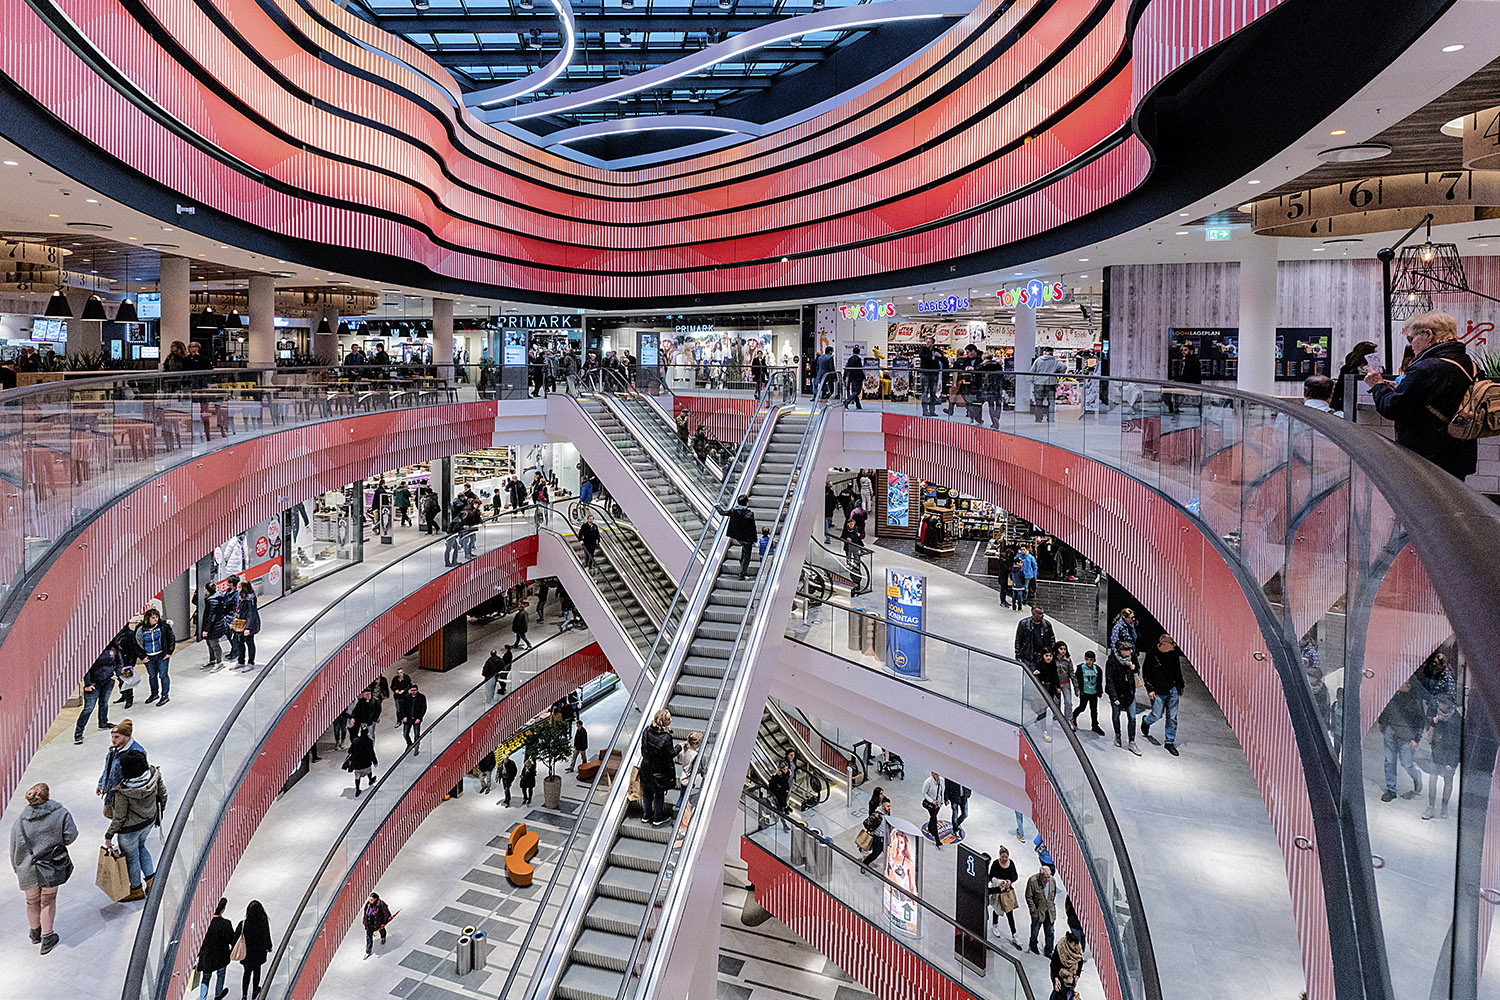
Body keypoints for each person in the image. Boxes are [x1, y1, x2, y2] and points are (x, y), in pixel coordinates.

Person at [1365, 311, 1479, 480]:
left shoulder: (1426, 368)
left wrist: (1377, 385)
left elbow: (1392, 408)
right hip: (1459, 453)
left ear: (1428, 335)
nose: (1410, 346)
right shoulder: (1468, 363)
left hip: (1427, 456)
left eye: (1411, 339)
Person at [10, 783, 78, 954]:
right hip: (51, 866)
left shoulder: (20, 822)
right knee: (48, 899)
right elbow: (70, 836)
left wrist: (18, 868)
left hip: (27, 869)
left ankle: (35, 933)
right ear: (48, 796)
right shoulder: (60, 813)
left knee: (32, 901)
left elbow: (14, 849)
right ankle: (47, 937)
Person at [103, 749, 166, 902]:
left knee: (131, 858)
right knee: (141, 847)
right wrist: (159, 812)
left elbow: (119, 817)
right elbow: (163, 794)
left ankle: (136, 889)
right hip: (149, 822)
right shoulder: (154, 775)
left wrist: (109, 835)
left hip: (129, 830)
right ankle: (151, 882)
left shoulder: (123, 791)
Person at [1377, 680, 1425, 802]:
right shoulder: (1394, 695)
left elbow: (1420, 721)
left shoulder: (1414, 701)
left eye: (1402, 684)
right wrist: (1383, 723)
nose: (1398, 685)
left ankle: (1416, 776)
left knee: (1406, 763)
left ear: (1408, 686)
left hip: (1406, 736)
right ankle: (1391, 789)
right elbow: (1387, 709)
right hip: (1391, 730)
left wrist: (1416, 739)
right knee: (1389, 761)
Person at [1140, 633, 1185, 755]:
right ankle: (1146, 721)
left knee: (1172, 717)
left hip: (1172, 688)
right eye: (1172, 643)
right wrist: (1150, 689)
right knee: (1157, 714)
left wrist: (1181, 685)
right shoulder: (1152, 653)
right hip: (1158, 690)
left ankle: (1169, 742)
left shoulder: (1173, 653)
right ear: (1164, 643)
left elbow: (1177, 669)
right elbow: (1146, 672)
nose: (1175, 645)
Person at [1423, 694, 1462, 820]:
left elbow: (1457, 743)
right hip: (1436, 754)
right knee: (1432, 781)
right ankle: (1431, 807)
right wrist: (1432, 722)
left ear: (1448, 705)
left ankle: (1444, 807)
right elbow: (1433, 729)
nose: (1439, 704)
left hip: (1449, 758)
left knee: (1448, 782)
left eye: (1441, 703)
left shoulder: (1457, 720)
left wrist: (1451, 762)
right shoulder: (1438, 715)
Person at [75, 643, 120, 744]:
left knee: (104, 703)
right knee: (88, 708)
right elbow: (86, 668)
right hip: (93, 684)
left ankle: (103, 723)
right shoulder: (90, 649)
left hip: (108, 681)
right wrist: (87, 684)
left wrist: (117, 673)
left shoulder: (113, 648)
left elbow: (119, 661)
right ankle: (78, 733)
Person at [641, 710, 678, 827]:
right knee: (659, 793)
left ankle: (646, 815)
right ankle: (658, 817)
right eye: (668, 719)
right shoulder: (666, 737)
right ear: (663, 721)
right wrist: (679, 747)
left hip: (646, 767)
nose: (670, 720)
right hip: (659, 770)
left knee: (647, 792)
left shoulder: (647, 731)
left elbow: (643, 748)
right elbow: (670, 754)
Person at [1106, 639, 1142, 755]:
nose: (1130, 651)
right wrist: (1114, 698)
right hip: (1117, 693)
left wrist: (1133, 669)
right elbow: (1109, 681)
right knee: (1116, 715)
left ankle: (1132, 741)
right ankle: (1117, 735)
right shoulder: (1112, 662)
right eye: (1127, 649)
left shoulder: (1132, 659)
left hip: (1129, 692)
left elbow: (1137, 670)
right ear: (1121, 650)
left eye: (1131, 649)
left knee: (1132, 717)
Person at [196, 897, 236, 1000]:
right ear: (223, 909)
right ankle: (218, 995)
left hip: (207, 957)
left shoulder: (204, 924)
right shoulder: (226, 924)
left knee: (205, 978)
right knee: (221, 975)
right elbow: (232, 940)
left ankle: (202, 998)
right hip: (221, 955)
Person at [135, 608, 176, 706]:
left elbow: (171, 638)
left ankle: (165, 695)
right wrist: (142, 656)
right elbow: (136, 643)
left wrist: (169, 652)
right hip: (149, 657)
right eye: (153, 618)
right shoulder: (140, 629)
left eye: (157, 617)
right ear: (147, 618)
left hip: (162, 655)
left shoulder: (163, 626)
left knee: (163, 675)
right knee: (152, 676)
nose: (156, 619)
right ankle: (154, 694)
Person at [98, 719, 146, 801]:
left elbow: (137, 780)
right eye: (112, 737)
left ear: (127, 737)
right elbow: (108, 769)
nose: (113, 740)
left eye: (117, 737)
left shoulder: (136, 754)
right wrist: (101, 784)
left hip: (124, 798)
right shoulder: (113, 749)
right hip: (112, 795)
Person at [235, 900, 272, 1000]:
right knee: (257, 971)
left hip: (247, 954)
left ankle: (244, 995)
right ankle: (255, 990)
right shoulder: (263, 922)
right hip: (259, 953)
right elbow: (266, 936)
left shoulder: (243, 924)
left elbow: (235, 938)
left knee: (246, 973)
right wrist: (269, 946)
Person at [717, 494, 758, 580]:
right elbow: (752, 528)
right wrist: (755, 540)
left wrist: (717, 506)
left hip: (738, 537)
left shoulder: (733, 511)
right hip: (747, 538)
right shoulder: (749, 514)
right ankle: (742, 574)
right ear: (746, 503)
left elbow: (722, 513)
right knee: (746, 556)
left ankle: (742, 563)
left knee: (744, 551)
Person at [1331, 340, 1378, 415]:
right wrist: (1335, 406)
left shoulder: (1378, 370)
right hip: (1348, 404)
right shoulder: (1348, 369)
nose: (1376, 357)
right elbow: (1339, 388)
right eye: (1374, 353)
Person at [988, 844, 1021, 947]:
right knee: (997, 909)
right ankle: (995, 925)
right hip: (998, 891)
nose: (1004, 859)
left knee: (1009, 913)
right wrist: (999, 882)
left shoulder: (1011, 864)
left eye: (1006, 857)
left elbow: (1015, 876)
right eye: (1002, 857)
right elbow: (991, 877)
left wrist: (1009, 881)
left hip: (1007, 892)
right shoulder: (995, 864)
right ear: (999, 856)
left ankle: (1014, 935)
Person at [1014, 604, 1056, 680]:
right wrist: (1018, 654)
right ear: (1033, 614)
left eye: (1043, 613)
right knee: (1030, 678)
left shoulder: (1047, 624)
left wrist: (1052, 652)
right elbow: (1018, 639)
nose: (1042, 615)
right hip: (1029, 657)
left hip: (1043, 657)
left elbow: (1052, 639)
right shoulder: (1024, 624)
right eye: (1040, 614)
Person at [1025, 864, 1057, 956]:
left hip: (1049, 911)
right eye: (1045, 877)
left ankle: (1049, 950)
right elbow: (1028, 896)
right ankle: (1033, 945)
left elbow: (1053, 894)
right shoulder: (1033, 881)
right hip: (1038, 912)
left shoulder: (1052, 880)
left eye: (1048, 877)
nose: (1047, 879)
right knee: (1035, 930)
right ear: (1040, 875)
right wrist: (1033, 910)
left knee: (1050, 932)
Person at [1071, 650, 1105, 735]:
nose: (1089, 662)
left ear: (1094, 660)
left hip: (1093, 693)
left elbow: (1099, 681)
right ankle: (1073, 716)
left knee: (1094, 710)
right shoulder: (1080, 668)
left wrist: (1099, 692)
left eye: (1091, 660)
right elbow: (1077, 679)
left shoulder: (1097, 669)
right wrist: (1077, 689)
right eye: (1087, 659)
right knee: (1082, 707)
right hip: (1084, 692)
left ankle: (1095, 725)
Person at [229, 581, 261, 671]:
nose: (237, 589)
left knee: (249, 643)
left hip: (248, 625)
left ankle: (251, 662)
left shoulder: (250, 599)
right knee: (239, 642)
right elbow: (237, 611)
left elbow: (251, 613)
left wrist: (248, 628)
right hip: (240, 623)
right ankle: (241, 661)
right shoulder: (241, 597)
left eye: (239, 587)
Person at [1029, 348, 1064, 422]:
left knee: (1038, 402)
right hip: (1050, 382)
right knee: (1051, 402)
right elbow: (1064, 367)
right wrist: (1057, 373)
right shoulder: (1055, 360)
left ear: (1044, 352)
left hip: (1038, 382)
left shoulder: (1038, 360)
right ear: (1052, 352)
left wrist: (1032, 380)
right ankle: (1050, 418)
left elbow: (1032, 371)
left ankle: (1038, 418)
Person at [345, 729, 378, 797]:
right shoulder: (369, 741)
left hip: (357, 763)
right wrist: (375, 762)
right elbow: (371, 752)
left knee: (357, 776)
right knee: (368, 771)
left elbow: (350, 750)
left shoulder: (355, 741)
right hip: (366, 762)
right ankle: (370, 780)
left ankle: (357, 789)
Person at [1053, 641, 1076, 729]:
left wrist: (1076, 687)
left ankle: (1069, 720)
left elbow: (1072, 673)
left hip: (1065, 683)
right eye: (1061, 649)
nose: (1063, 651)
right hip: (1056, 684)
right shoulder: (1053, 660)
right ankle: (1056, 718)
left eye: (1064, 649)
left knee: (1068, 702)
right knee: (1056, 702)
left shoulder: (1068, 660)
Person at [362, 892, 392, 957]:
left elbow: (386, 913)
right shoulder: (368, 904)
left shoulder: (381, 904)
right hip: (369, 923)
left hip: (378, 922)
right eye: (369, 899)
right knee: (368, 937)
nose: (370, 901)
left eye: (371, 900)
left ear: (375, 899)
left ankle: (383, 937)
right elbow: (365, 913)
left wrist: (384, 923)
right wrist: (364, 921)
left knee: (381, 930)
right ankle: (368, 951)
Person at [920, 770, 944, 848]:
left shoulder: (942, 780)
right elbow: (924, 793)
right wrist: (931, 801)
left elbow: (942, 791)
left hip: (938, 804)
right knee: (934, 819)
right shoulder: (928, 782)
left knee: (933, 817)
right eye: (935, 773)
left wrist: (943, 800)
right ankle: (937, 839)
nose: (937, 775)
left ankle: (930, 828)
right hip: (931, 804)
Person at [401, 683, 426, 755]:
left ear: (417, 690)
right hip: (408, 719)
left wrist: (419, 718)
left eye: (414, 690)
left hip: (416, 719)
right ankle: (409, 744)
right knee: (405, 733)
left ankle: (416, 747)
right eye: (412, 690)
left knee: (417, 734)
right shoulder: (407, 697)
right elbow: (402, 707)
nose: (413, 692)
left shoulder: (421, 697)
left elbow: (423, 708)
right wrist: (403, 716)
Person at [767, 760, 792, 830]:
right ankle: (784, 824)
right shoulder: (777, 776)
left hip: (784, 793)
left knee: (783, 806)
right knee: (780, 810)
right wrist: (778, 790)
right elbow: (771, 786)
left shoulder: (787, 774)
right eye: (784, 769)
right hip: (778, 795)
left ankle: (785, 808)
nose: (786, 770)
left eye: (787, 769)